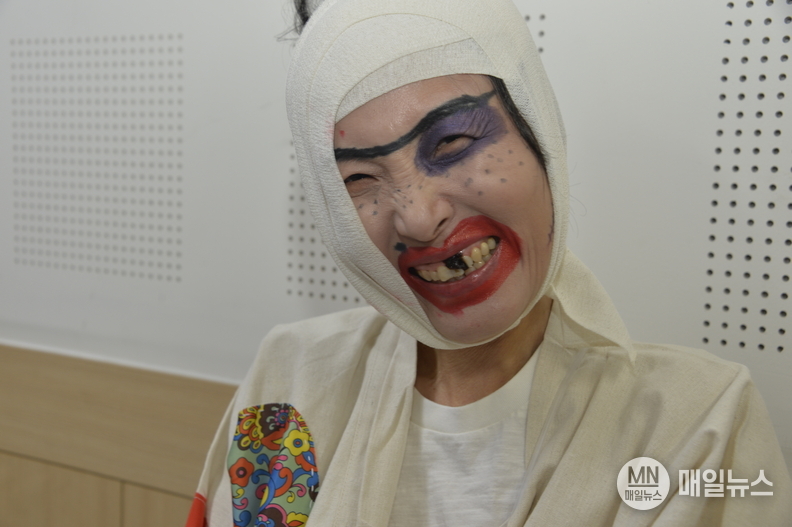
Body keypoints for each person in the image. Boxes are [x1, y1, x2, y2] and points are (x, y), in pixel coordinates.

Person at [186, 0, 792, 525]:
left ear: (538, 128)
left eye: (453, 142)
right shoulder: (289, 383)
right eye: (360, 178)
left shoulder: (698, 425)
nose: (418, 217)